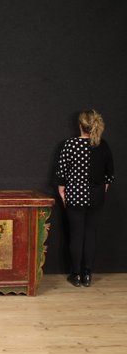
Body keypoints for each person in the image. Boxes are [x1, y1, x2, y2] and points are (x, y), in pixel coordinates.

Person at [56, 109, 114, 287]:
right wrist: (100, 192)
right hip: (96, 197)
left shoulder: (70, 145)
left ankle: (76, 275)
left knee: (76, 235)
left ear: (80, 125)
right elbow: (108, 177)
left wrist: (63, 194)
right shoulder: (102, 145)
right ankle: (87, 274)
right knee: (91, 235)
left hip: (74, 196)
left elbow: (61, 176)